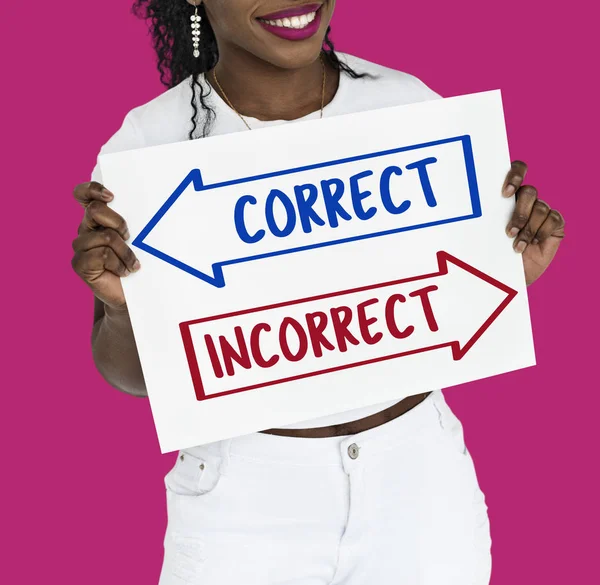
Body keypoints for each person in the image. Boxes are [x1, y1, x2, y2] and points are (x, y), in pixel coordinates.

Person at [71, 1, 565, 583]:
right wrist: (122, 308)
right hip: (242, 501)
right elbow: (128, 377)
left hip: (421, 485)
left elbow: (438, 308)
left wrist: (508, 270)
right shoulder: (147, 145)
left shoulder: (408, 106)